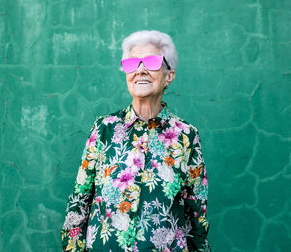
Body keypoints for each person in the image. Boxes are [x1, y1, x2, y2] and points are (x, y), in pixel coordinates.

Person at [61, 30, 210, 251]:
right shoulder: (104, 128)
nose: (140, 70)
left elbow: (196, 213)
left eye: (151, 62)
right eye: (132, 64)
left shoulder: (186, 135)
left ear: (169, 76)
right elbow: (79, 202)